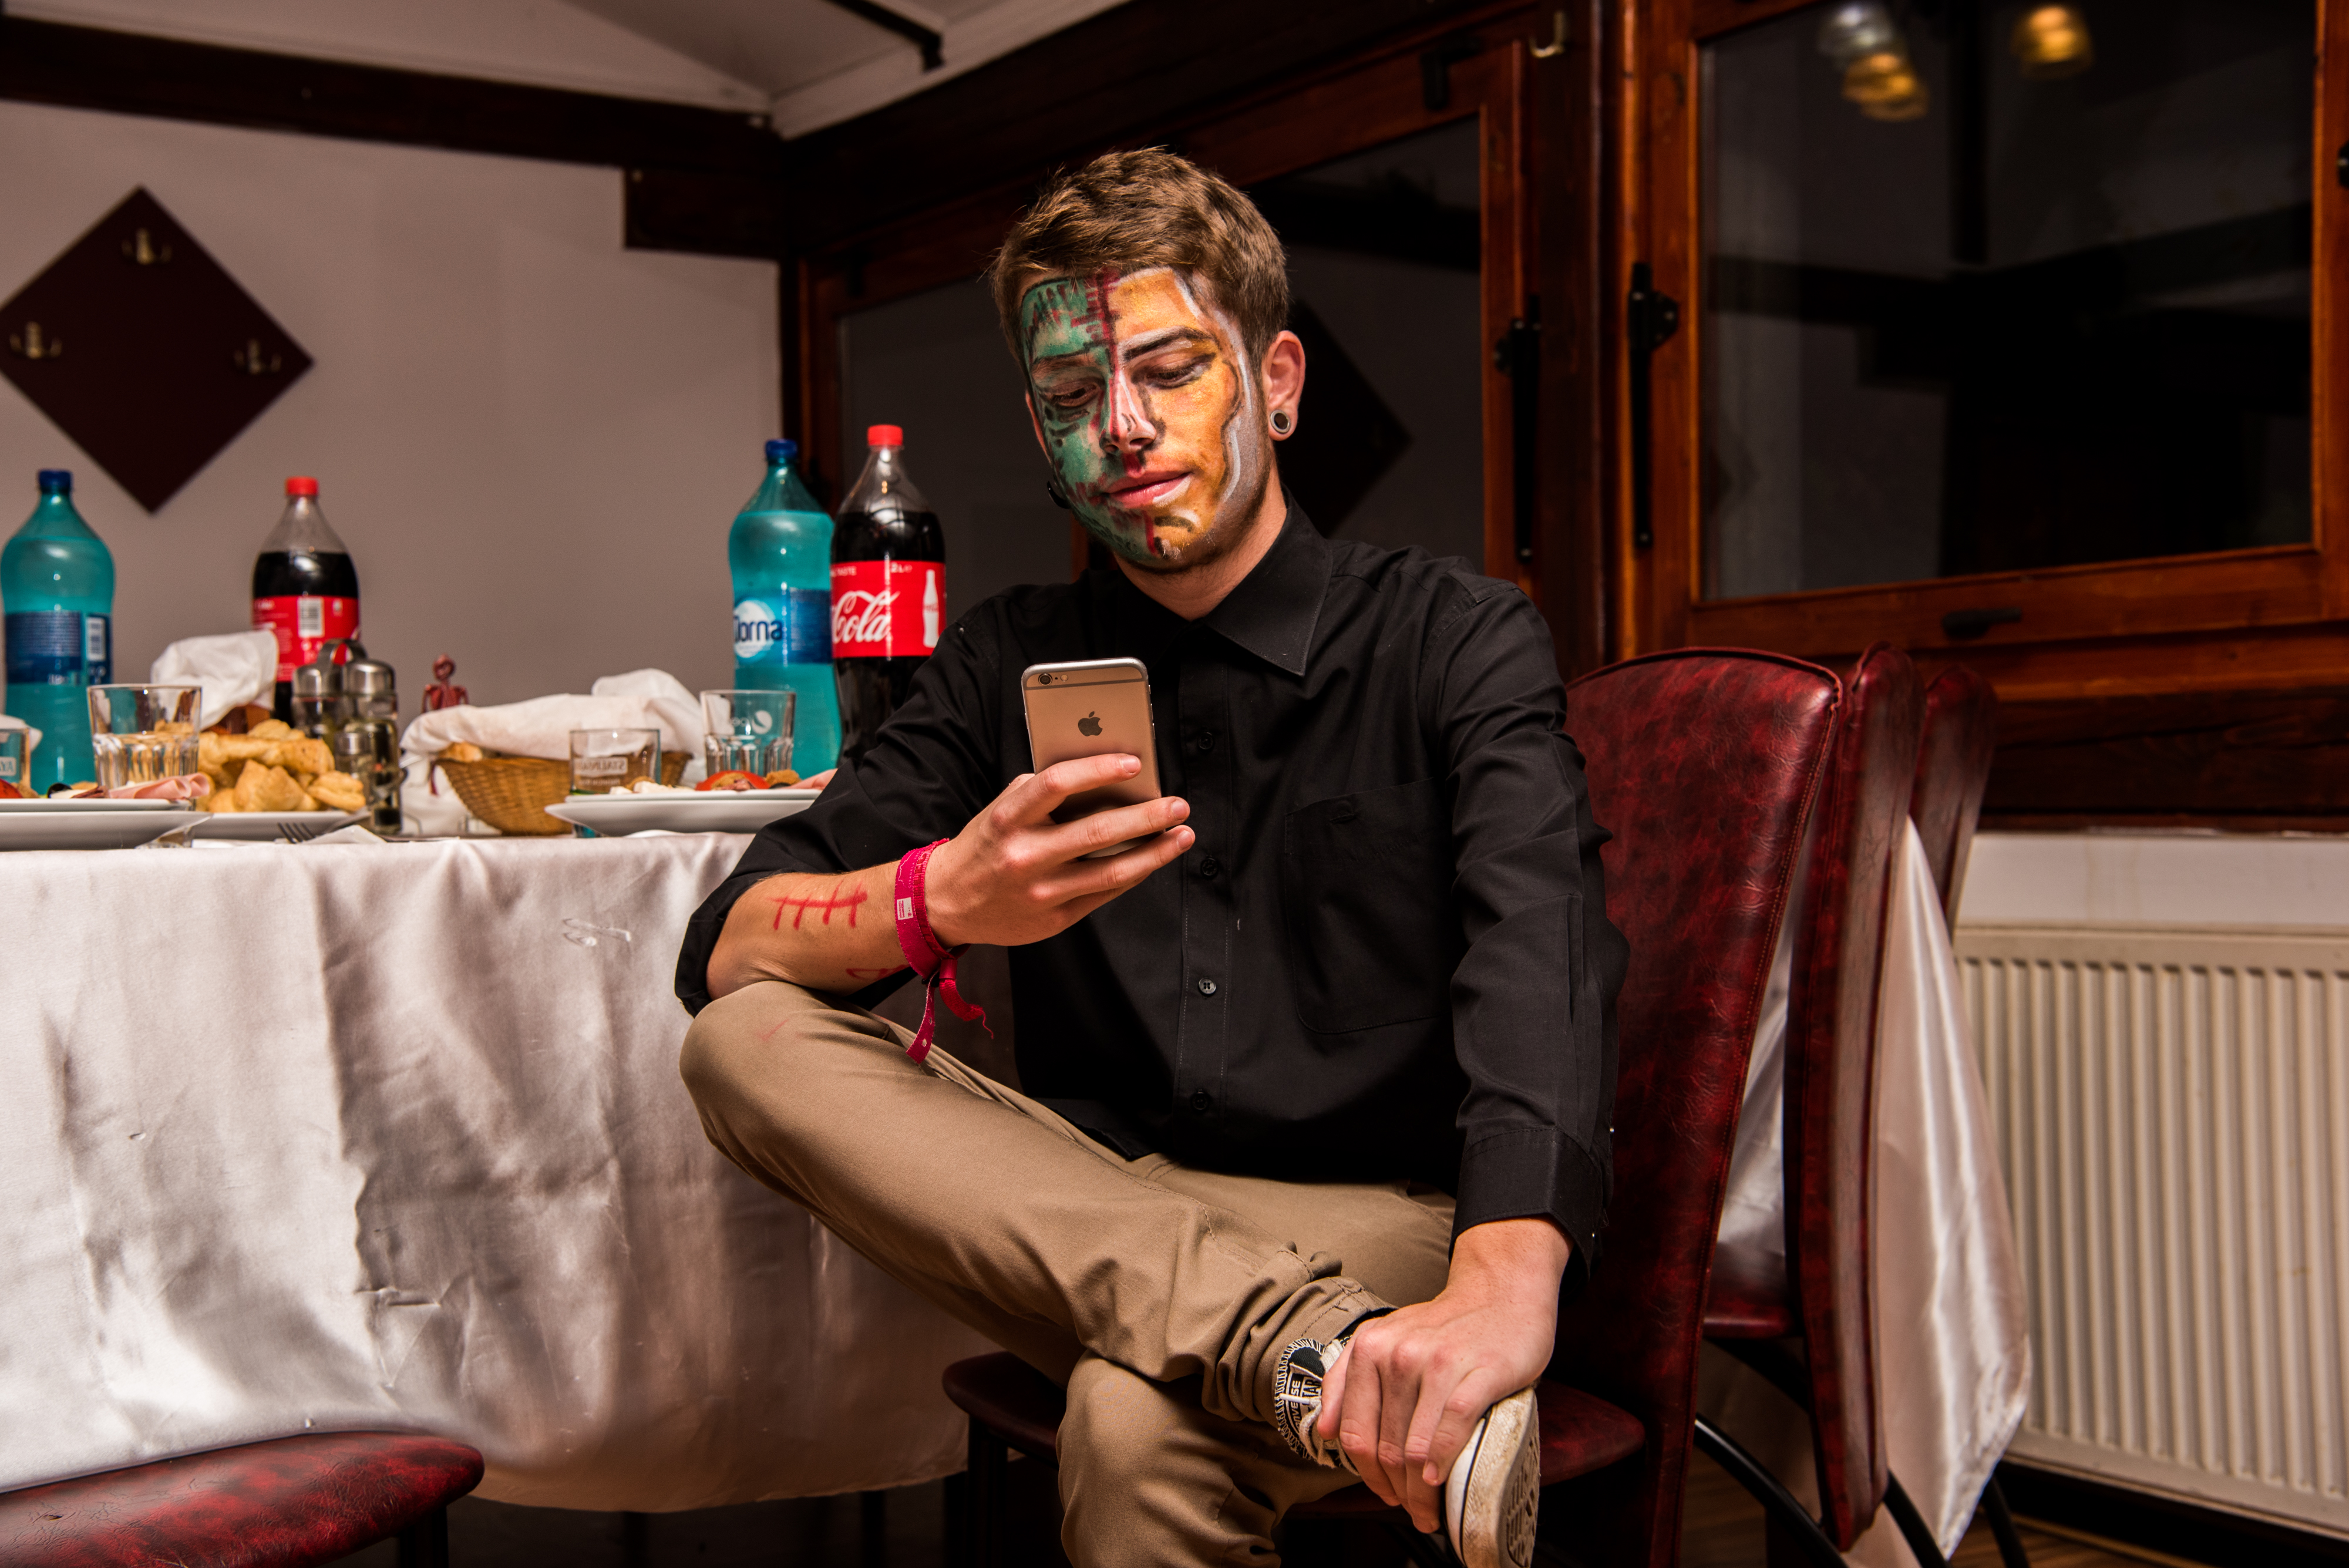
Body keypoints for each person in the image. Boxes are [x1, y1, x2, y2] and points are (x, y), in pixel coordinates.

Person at [674, 147, 1626, 1568]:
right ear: (1037, 425)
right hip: (1087, 1199)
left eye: (1170, 371)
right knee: (739, 1043)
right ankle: (1302, 1352)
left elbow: (1540, 950)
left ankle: (1286, 1345)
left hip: (1383, 1215)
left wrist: (1501, 1282)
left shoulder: (1451, 636)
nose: (1121, 428)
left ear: (1278, 382)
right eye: (1072, 395)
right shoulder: (999, 661)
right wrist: (942, 900)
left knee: (1130, 1426)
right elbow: (725, 951)